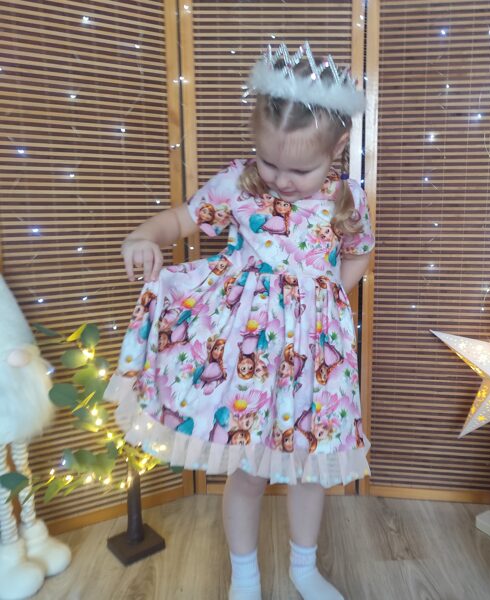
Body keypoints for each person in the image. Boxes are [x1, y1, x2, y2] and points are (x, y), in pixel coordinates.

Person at [106, 42, 375, 600]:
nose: (281, 179)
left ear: (338, 148)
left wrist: (324, 301)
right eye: (270, 162)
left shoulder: (347, 199)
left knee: (309, 467)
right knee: (247, 469)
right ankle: (245, 576)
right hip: (247, 362)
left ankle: (304, 568)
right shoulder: (239, 185)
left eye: (300, 169)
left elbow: (359, 252)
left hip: (315, 362)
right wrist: (144, 236)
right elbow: (179, 219)